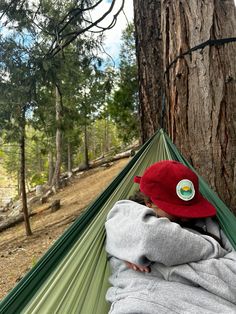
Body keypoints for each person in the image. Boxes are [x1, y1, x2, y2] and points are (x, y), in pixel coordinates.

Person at [105, 160, 236, 314]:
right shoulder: (126, 218)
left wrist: (160, 263)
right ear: (149, 203)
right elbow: (151, 236)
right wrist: (213, 250)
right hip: (145, 299)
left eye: (190, 210)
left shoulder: (209, 222)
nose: (186, 218)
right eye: (176, 211)